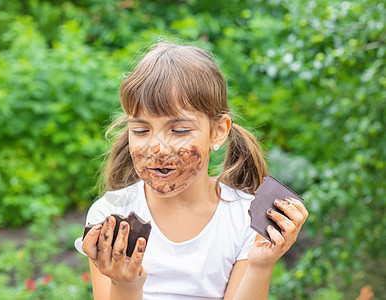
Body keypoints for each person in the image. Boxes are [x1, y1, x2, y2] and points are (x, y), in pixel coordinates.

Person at [74, 42, 309, 299]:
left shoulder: (246, 218)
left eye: (179, 130)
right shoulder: (110, 216)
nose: (158, 148)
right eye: (141, 131)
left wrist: (260, 266)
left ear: (218, 131)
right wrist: (125, 285)